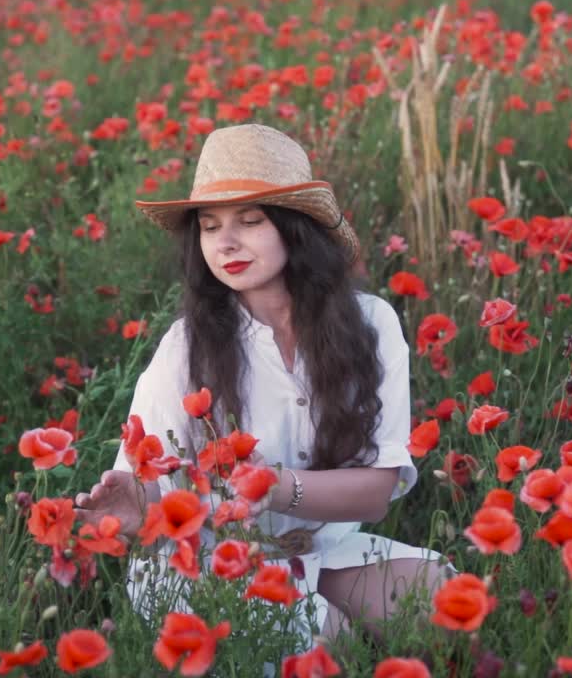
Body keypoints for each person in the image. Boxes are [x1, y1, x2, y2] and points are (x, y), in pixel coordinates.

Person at [74, 123, 455, 651]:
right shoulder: (188, 345)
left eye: (250, 221)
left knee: (447, 606)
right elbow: (148, 479)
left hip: (322, 548)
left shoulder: (371, 324)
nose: (225, 242)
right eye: (209, 227)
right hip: (207, 565)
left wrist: (275, 486)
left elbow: (374, 492)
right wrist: (139, 507)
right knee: (331, 650)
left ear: (295, 229)